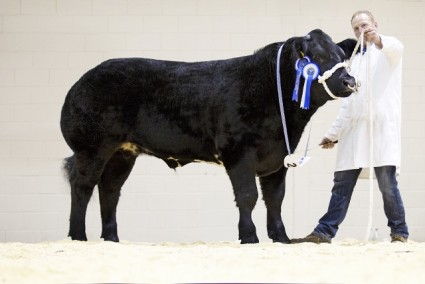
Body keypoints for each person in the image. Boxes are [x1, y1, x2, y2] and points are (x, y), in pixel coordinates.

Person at [292, 10, 409, 244]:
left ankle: (399, 232)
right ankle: (323, 232)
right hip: (353, 134)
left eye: (364, 25)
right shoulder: (354, 60)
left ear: (375, 24)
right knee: (341, 185)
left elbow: (395, 48)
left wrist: (377, 39)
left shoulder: (390, 50)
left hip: (380, 131)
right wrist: (332, 135)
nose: (360, 30)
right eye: (356, 28)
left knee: (388, 185)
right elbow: (348, 104)